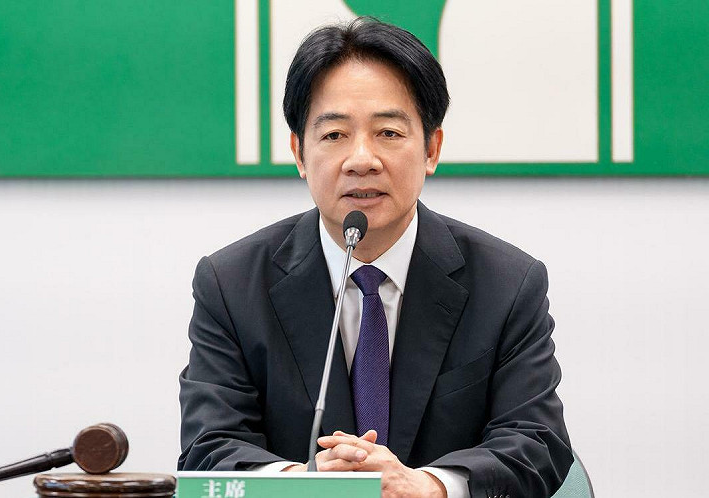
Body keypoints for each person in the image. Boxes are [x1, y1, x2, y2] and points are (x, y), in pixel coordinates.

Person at [179, 17, 572, 498]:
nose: (361, 159)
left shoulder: (507, 284)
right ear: (299, 153)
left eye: (387, 132)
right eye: (334, 135)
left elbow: (537, 443)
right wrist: (303, 485)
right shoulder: (231, 284)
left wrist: (429, 485)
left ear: (431, 149)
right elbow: (208, 447)